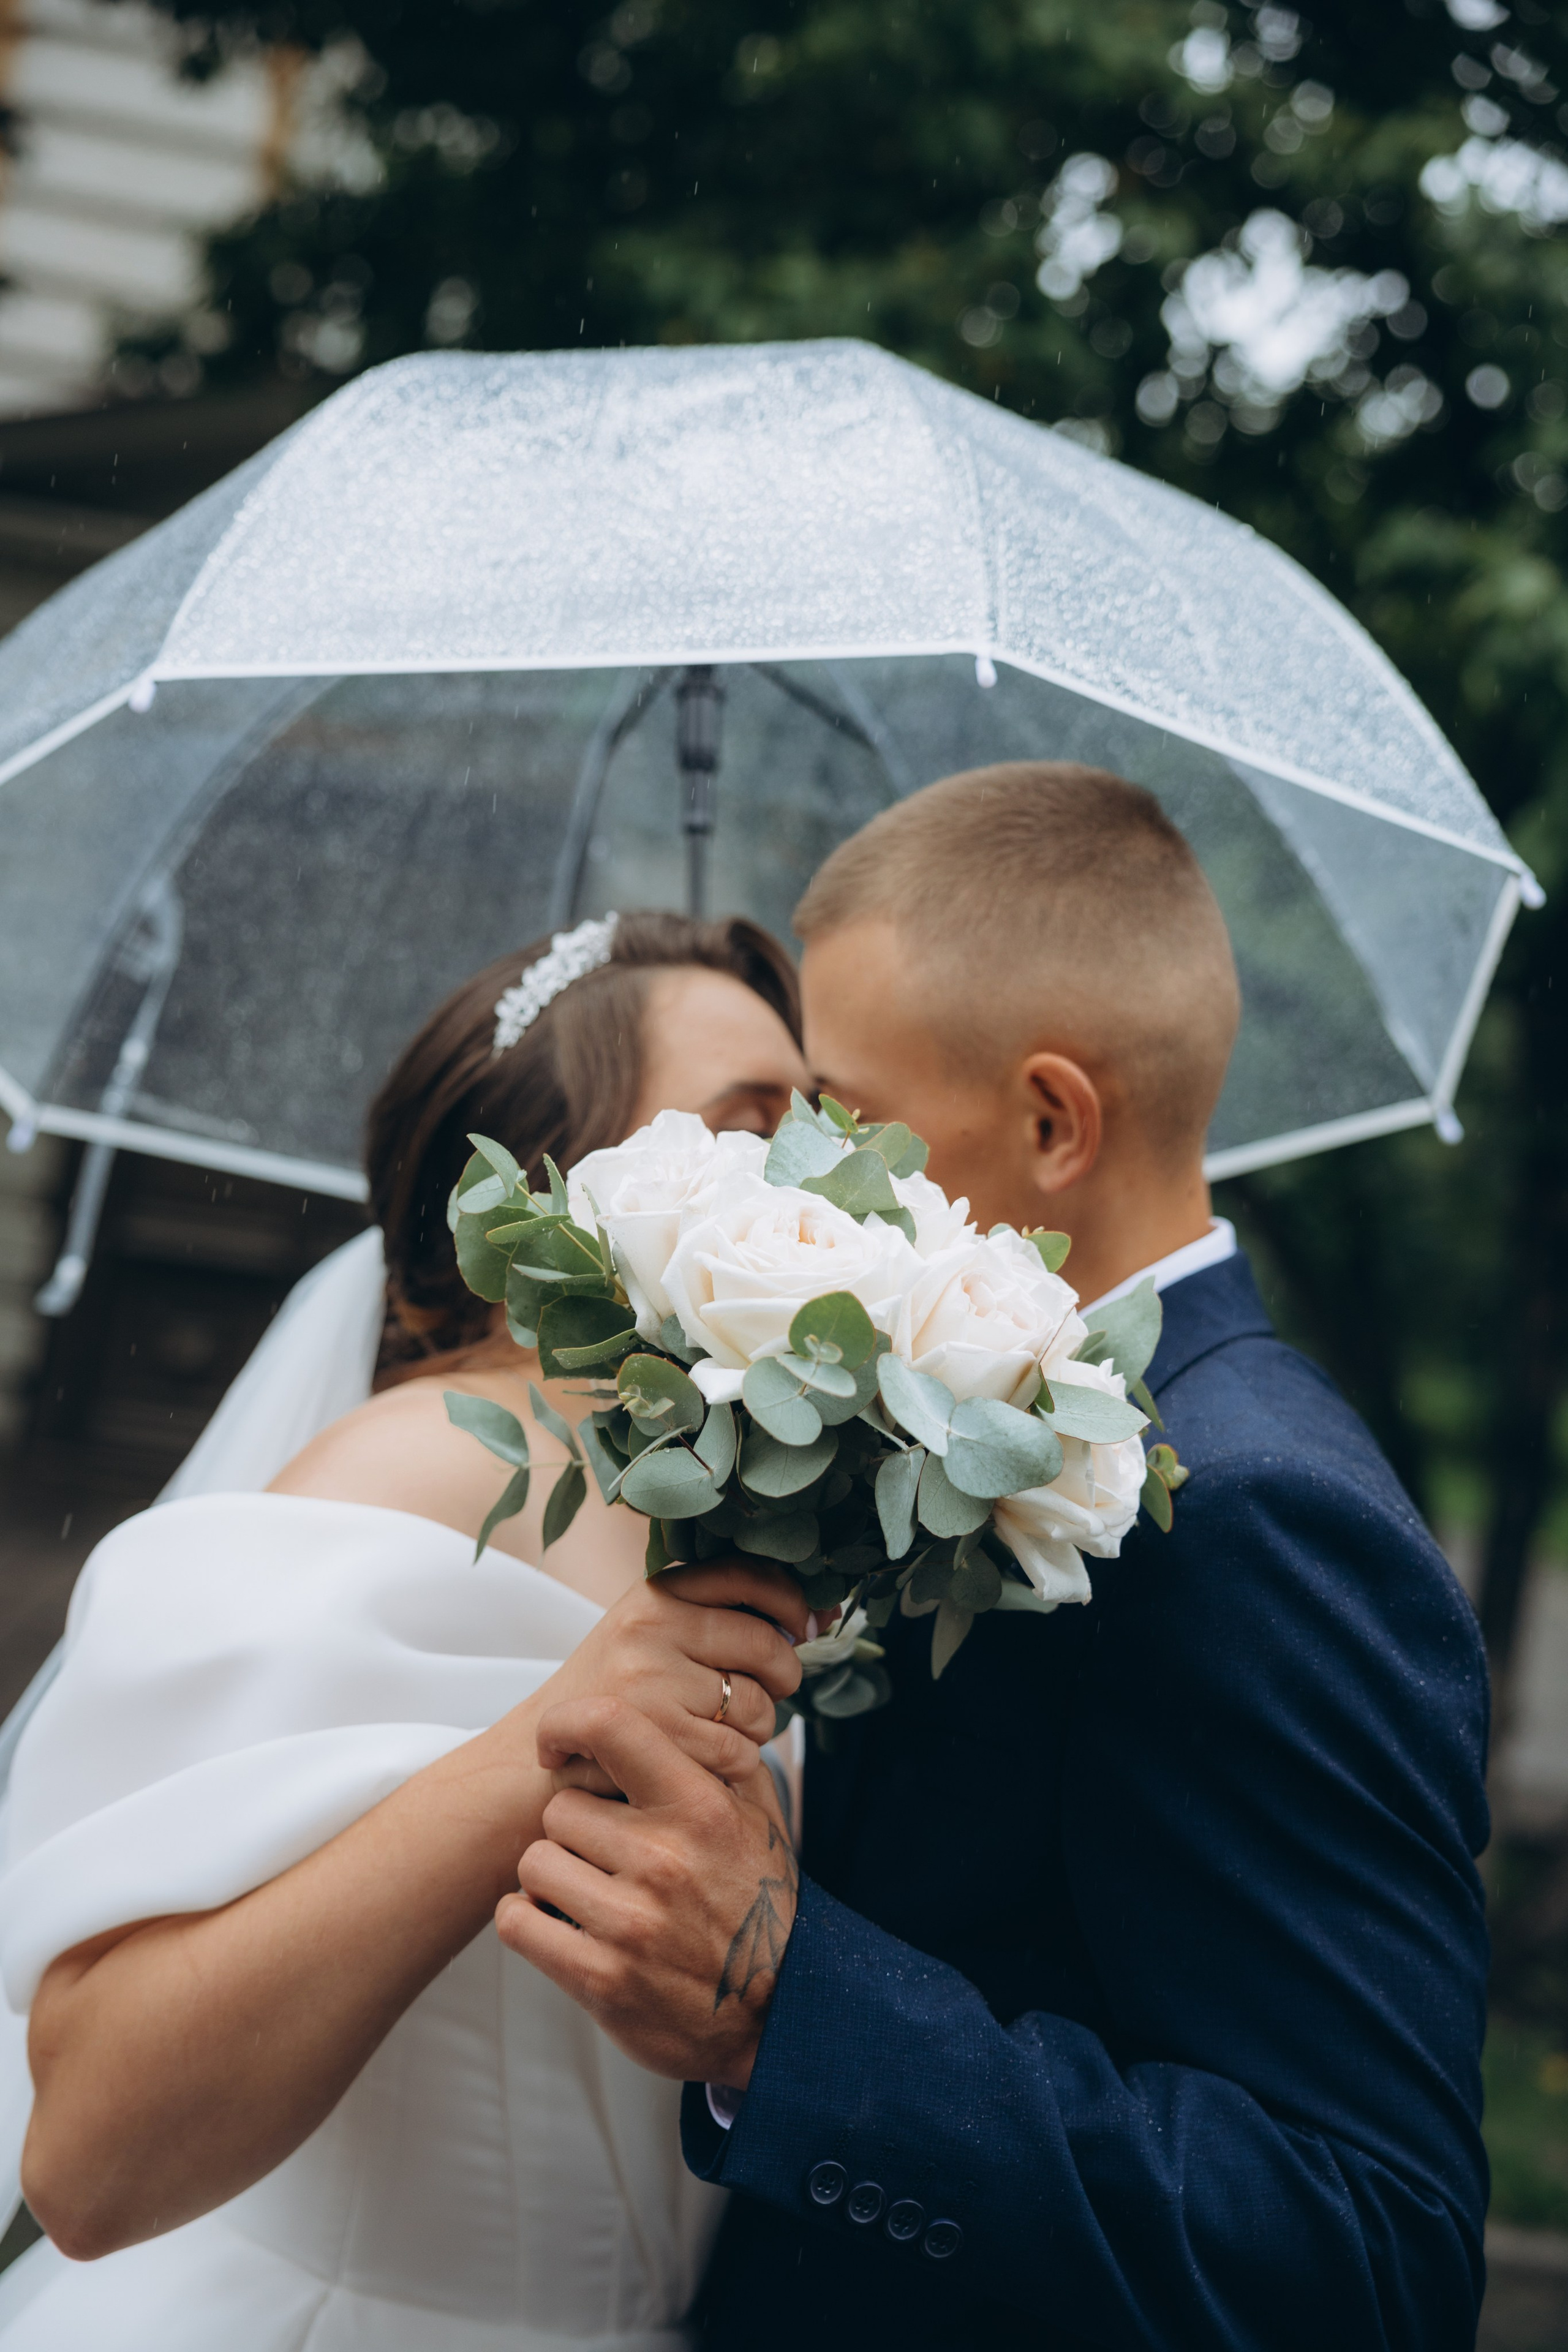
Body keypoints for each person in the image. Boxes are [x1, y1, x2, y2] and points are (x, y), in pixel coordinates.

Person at [497, 766, 1493, 2352]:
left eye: (841, 1109)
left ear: (1050, 1121)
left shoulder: (1258, 1512)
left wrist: (787, 1997)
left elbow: (1368, 2250)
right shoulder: (951, 1420)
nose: (797, 1162)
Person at [0, 910, 813, 2351]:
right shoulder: (403, 1479)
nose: (829, 1185)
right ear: (536, 1200)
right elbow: (87, 2158)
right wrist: (540, 1751)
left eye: (829, 1126)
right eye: (754, 1126)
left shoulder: (773, 1532)